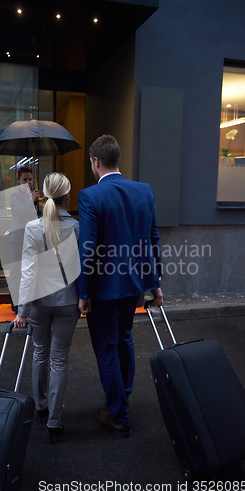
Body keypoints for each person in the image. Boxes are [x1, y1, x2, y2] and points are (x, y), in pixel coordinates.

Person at [78, 134, 163, 438]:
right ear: (118, 160)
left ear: (95, 162)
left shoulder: (90, 196)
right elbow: (152, 240)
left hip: (103, 289)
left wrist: (83, 292)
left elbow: (87, 249)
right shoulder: (144, 191)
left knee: (106, 348)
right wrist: (156, 285)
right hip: (135, 284)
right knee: (124, 337)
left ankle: (119, 414)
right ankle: (122, 395)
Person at [14, 173, 80, 443]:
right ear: (67, 196)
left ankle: (41, 407)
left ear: (43, 196)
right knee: (59, 359)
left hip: (39, 303)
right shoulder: (77, 227)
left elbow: (28, 272)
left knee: (40, 353)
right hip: (68, 302)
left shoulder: (32, 228)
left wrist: (22, 310)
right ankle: (54, 421)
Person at [7, 167, 40, 313]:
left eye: (30, 179)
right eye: (25, 179)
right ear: (18, 180)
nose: (28, 182)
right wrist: (31, 200)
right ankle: (16, 305)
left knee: (28, 271)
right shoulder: (15, 195)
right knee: (16, 272)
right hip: (16, 240)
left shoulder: (32, 195)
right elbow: (19, 213)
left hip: (30, 239)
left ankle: (26, 303)